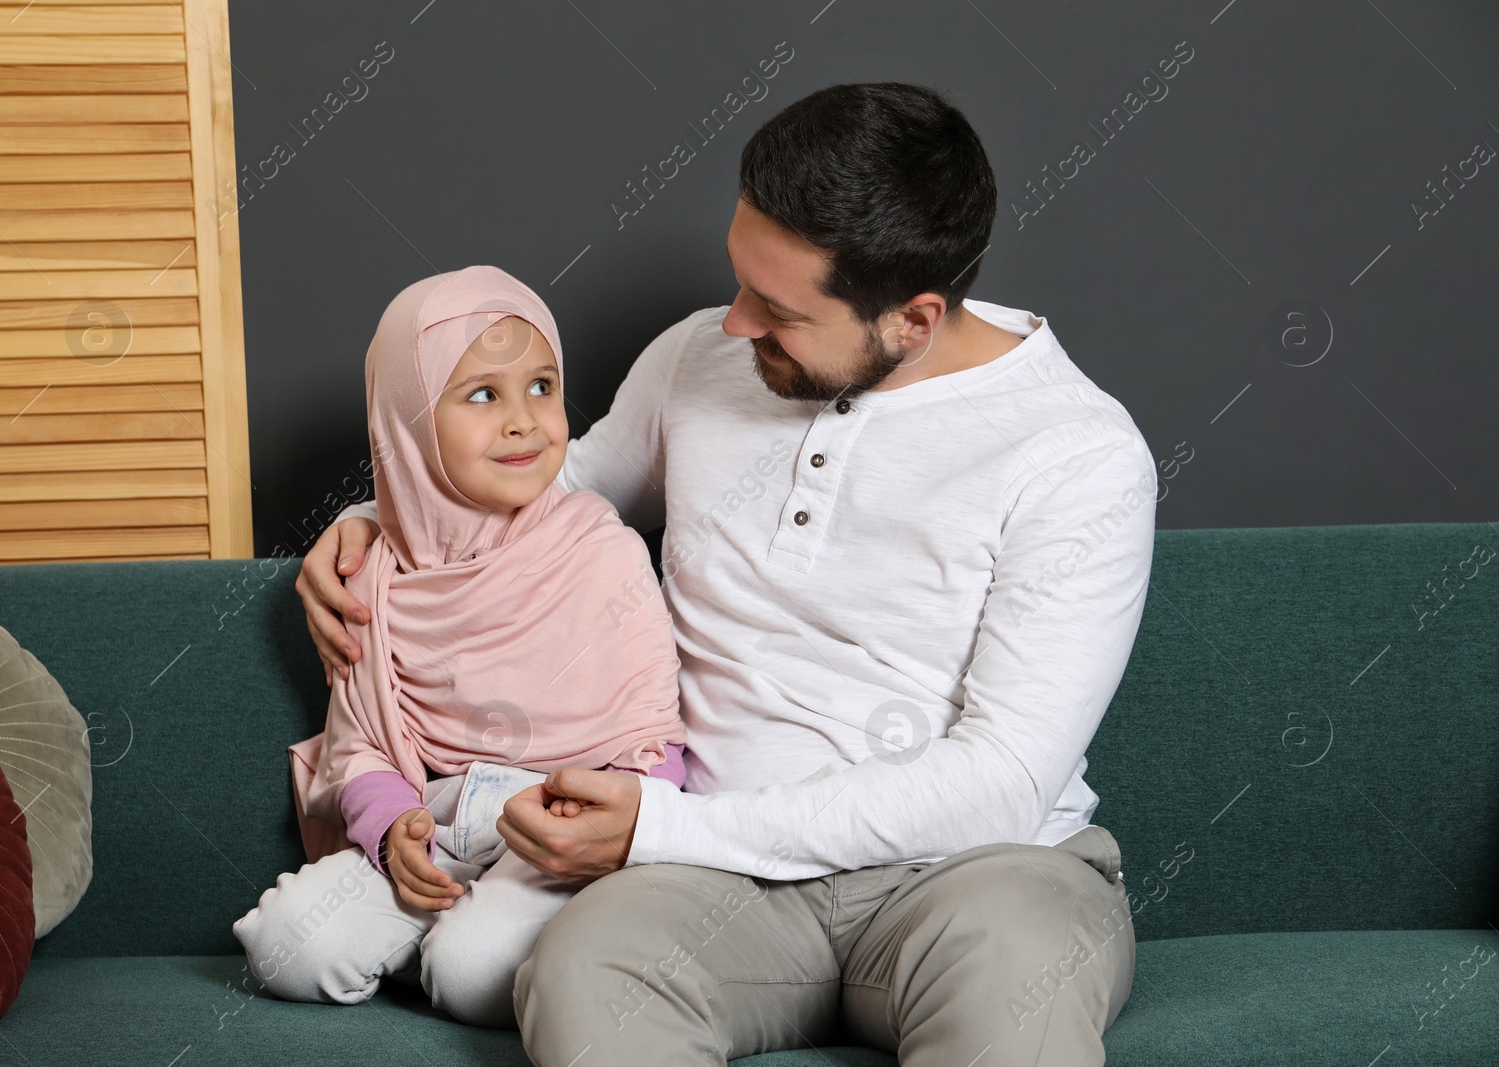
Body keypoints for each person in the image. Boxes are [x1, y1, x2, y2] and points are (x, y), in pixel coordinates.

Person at [303, 82, 1155, 1065]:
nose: (736, 322)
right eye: (739, 278)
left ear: (912, 320)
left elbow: (1002, 779)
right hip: (712, 887)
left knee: (1015, 999)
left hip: (975, 875)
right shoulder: (695, 357)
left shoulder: (1077, 454)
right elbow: (536, 490)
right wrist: (365, 520)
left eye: (781, 310)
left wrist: (658, 827)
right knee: (586, 974)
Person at [234, 266, 686, 1029]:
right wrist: (390, 831)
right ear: (407, 424)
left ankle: (455, 946)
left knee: (475, 971)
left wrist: (590, 817)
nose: (523, 420)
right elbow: (364, 744)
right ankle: (435, 931)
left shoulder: (596, 547)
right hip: (437, 821)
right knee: (285, 946)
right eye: (483, 394)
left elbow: (654, 737)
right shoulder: (372, 570)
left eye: (542, 387)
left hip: (555, 833)